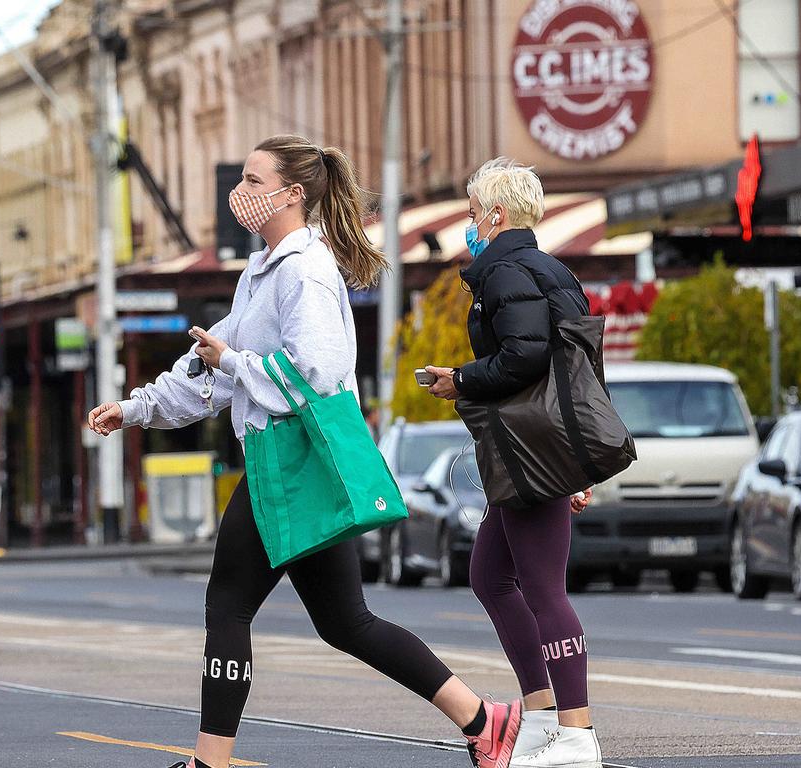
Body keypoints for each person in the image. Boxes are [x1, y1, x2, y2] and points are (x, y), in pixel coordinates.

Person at [86, 136, 520, 768]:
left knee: (230, 604)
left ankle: (211, 762)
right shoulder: (262, 273)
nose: (241, 193)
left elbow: (314, 373)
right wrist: (137, 408)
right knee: (346, 621)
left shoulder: (305, 272)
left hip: (292, 460)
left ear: (292, 194)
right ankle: (485, 720)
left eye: (254, 181)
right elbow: (212, 372)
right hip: (279, 461)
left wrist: (230, 360)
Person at [425, 157, 601, 768]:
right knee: (489, 576)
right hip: (544, 444)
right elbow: (578, 369)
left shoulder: (503, 272)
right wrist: (575, 460)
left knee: (544, 590)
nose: (470, 224)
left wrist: (461, 379)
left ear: (496, 216)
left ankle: (574, 735)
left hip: (529, 447)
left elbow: (523, 358)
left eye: (474, 213)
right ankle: (544, 715)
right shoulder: (556, 272)